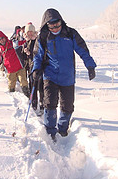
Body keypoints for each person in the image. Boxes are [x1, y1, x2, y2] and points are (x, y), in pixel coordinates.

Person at [32, 8, 96, 141]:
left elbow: (82, 49)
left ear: (62, 22)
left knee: (67, 106)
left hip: (67, 77)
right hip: (50, 75)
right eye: (51, 25)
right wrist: (36, 69)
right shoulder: (43, 37)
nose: (55, 28)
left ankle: (62, 129)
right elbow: (37, 55)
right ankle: (50, 132)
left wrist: (90, 65)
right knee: (49, 104)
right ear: (46, 25)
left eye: (57, 24)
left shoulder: (70, 34)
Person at [0, 31, 30, 96]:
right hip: (10, 70)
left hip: (20, 67)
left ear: (5, 37)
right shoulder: (0, 49)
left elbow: (23, 42)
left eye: (2, 38)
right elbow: (0, 59)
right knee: (11, 85)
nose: (2, 40)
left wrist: (29, 39)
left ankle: (28, 96)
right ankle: (11, 100)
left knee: (24, 82)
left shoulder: (12, 43)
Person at [23, 22, 44, 114]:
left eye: (31, 31)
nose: (30, 33)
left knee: (41, 86)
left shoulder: (38, 41)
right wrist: (24, 52)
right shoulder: (26, 42)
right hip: (30, 67)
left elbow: (38, 54)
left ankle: (42, 104)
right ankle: (34, 104)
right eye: (28, 32)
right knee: (32, 86)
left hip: (39, 66)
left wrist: (30, 53)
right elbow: (25, 57)